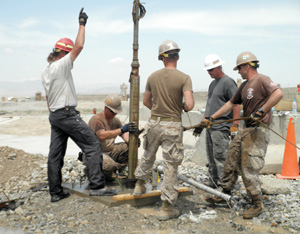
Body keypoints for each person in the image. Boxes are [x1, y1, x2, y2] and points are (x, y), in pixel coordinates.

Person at [41, 8, 117, 202]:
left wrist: (57, 116)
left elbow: (49, 100)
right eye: (68, 54)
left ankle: (55, 192)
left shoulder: (46, 71)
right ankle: (97, 187)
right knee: (92, 145)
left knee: (55, 154)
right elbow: (80, 46)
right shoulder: (62, 65)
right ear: (63, 53)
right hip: (67, 115)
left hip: (55, 116)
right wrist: (82, 23)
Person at [204, 51, 283, 219]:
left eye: (239, 68)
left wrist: (261, 110)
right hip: (246, 129)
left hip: (258, 130)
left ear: (247, 66)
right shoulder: (244, 85)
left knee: (248, 167)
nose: (238, 71)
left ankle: (256, 203)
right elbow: (231, 103)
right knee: (231, 160)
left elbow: (278, 94)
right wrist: (213, 117)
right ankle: (224, 194)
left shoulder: (262, 80)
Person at [133, 40, 194, 221]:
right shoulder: (184, 78)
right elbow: (189, 105)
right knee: (170, 165)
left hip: (154, 123)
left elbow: (145, 102)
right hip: (172, 125)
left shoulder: (152, 77)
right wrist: (180, 105)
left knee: (148, 154)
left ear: (162, 58)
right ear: (178, 56)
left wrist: (158, 109)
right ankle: (166, 207)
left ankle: (139, 185)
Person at [193, 54, 240, 188]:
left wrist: (235, 125)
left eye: (211, 70)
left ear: (219, 67)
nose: (209, 73)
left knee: (221, 158)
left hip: (221, 127)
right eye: (208, 70)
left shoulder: (228, 82)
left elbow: (236, 104)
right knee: (212, 158)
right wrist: (202, 124)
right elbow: (209, 107)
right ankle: (214, 182)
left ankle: (224, 186)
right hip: (210, 128)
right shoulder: (212, 84)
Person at [87, 94, 136, 178]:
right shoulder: (96, 119)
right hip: (96, 154)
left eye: (116, 112)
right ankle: (93, 172)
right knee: (109, 165)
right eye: (112, 112)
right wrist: (121, 130)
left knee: (129, 147)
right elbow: (101, 135)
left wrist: (132, 142)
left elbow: (123, 134)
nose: (114, 114)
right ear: (106, 108)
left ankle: (112, 172)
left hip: (110, 152)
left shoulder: (115, 121)